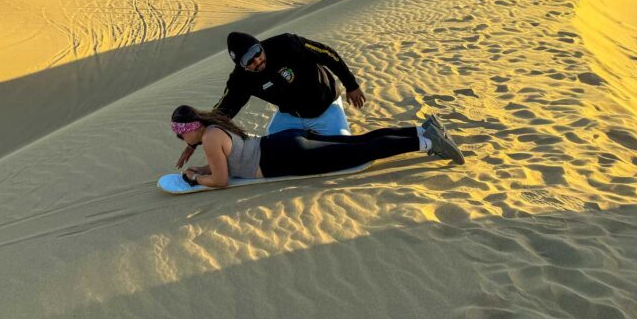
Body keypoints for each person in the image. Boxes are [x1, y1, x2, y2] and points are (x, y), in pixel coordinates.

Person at [176, 30, 365, 170]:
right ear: (241, 65)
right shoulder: (240, 79)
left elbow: (327, 54)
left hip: (325, 108)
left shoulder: (287, 43)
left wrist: (351, 84)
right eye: (248, 61)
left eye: (257, 53)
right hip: (290, 115)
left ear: (260, 45)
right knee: (276, 151)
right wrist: (196, 139)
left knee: (342, 154)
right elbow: (225, 109)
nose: (257, 61)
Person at [170, 104, 465, 189]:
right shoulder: (214, 128)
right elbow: (226, 162)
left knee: (359, 152)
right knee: (358, 141)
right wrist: (203, 168)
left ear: (189, 130)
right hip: (283, 142)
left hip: (283, 159)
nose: (181, 142)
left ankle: (427, 143)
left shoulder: (208, 139)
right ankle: (421, 129)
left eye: (179, 136)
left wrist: (197, 177)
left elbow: (221, 181)